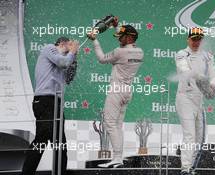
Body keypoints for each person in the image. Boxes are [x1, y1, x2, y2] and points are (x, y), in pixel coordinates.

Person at [87, 19, 144, 168]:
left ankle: (118, 158)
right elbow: (126, 38)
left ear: (130, 37)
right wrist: (116, 26)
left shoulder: (120, 52)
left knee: (110, 124)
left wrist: (94, 40)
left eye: (121, 36)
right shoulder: (139, 52)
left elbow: (101, 59)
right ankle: (118, 158)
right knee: (117, 125)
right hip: (127, 91)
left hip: (117, 91)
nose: (119, 38)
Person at [21, 37, 79, 175]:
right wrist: (71, 52)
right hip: (45, 100)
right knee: (42, 139)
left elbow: (69, 78)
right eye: (69, 45)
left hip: (56, 102)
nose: (70, 48)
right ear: (61, 44)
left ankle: (60, 172)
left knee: (60, 142)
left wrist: (74, 57)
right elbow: (62, 62)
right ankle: (27, 173)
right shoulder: (50, 48)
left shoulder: (65, 58)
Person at [175, 27, 215, 175]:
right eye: (193, 39)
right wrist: (201, 78)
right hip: (185, 98)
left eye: (199, 39)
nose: (196, 42)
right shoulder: (181, 54)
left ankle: (192, 167)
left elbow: (214, 75)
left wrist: (212, 86)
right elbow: (185, 71)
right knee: (190, 135)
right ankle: (185, 168)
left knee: (199, 137)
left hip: (199, 100)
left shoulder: (207, 56)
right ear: (188, 39)